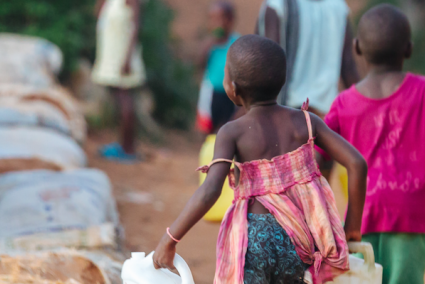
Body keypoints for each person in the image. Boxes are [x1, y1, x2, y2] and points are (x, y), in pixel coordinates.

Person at [151, 35, 368, 284]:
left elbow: (210, 190)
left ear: (233, 87)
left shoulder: (232, 132)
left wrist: (170, 238)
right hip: (300, 239)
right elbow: (357, 163)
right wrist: (352, 227)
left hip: (254, 240)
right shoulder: (307, 122)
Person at [318, 5, 425, 284]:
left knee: (362, 279)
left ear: (357, 48)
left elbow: (318, 154)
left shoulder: (343, 102)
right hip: (413, 209)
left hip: (361, 213)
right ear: (408, 49)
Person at [256, 0, 359, 116]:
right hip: (326, 115)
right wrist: (362, 105)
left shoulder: (278, 5)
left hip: (288, 113)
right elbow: (348, 67)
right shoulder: (339, 7)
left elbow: (267, 62)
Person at [93, 0, 145, 162]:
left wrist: (127, 58)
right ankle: (123, 144)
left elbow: (136, 27)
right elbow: (97, 14)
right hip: (112, 57)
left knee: (125, 99)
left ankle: (128, 149)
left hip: (123, 59)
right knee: (119, 100)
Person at [196, 1, 243, 134]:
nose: (215, 23)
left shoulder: (237, 43)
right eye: (211, 19)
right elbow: (199, 64)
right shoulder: (210, 44)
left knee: (227, 126)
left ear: (230, 20)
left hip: (231, 94)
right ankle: (206, 151)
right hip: (211, 91)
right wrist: (208, 45)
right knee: (207, 127)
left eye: (219, 19)